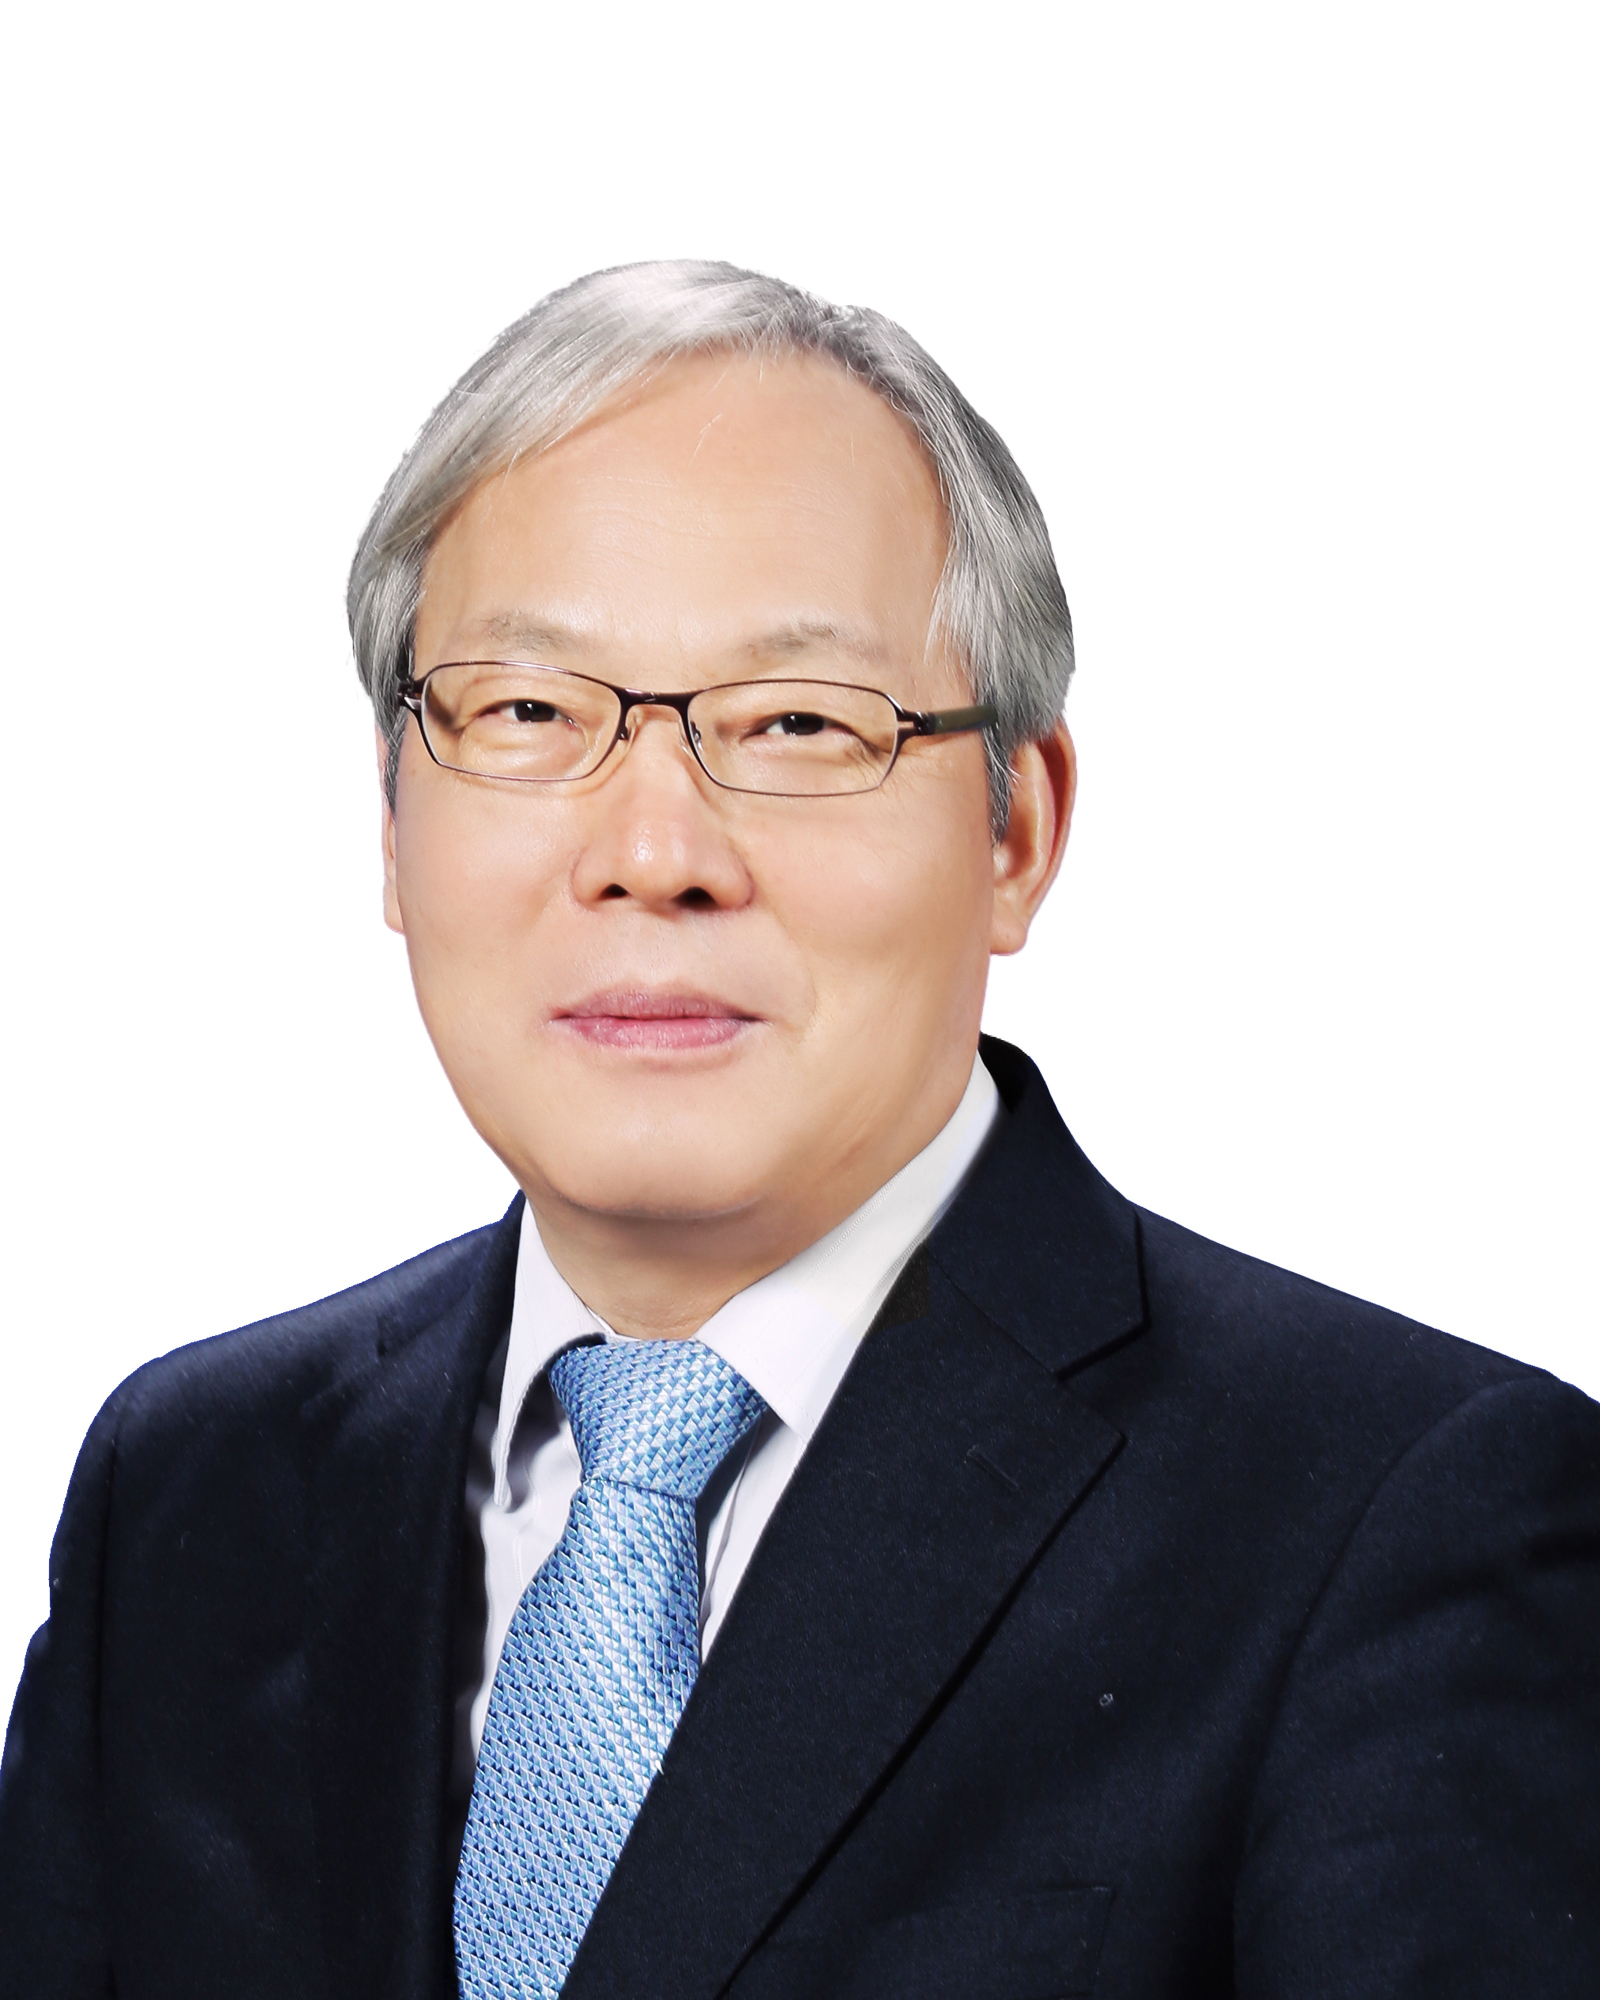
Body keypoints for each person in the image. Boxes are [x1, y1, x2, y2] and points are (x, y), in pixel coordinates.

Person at [2, 260, 1596, 2000]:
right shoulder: (192, 1491)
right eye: (529, 711)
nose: (654, 854)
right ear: (392, 821)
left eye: (797, 726)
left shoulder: (1400, 1520)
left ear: (1016, 829)